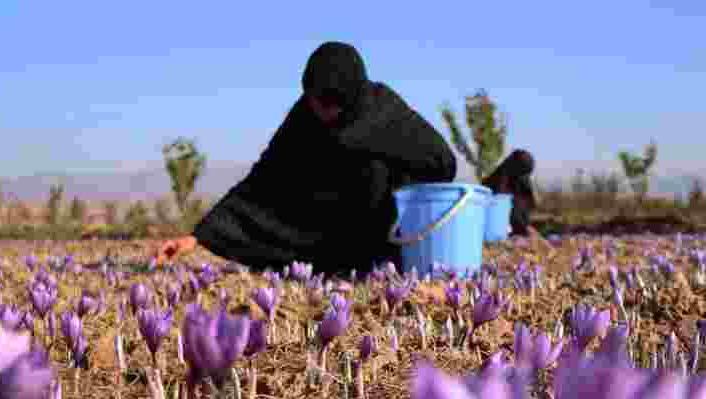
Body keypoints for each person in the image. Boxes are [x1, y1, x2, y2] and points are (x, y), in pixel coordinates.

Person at [155, 41, 457, 275]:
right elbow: (264, 178)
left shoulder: (384, 110)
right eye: (313, 100)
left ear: (351, 96)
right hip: (319, 235)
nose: (319, 110)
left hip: (382, 233)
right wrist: (199, 237)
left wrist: (382, 157)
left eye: (328, 103)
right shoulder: (305, 115)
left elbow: (442, 162)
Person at [482, 149, 539, 238]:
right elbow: (498, 206)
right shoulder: (499, 180)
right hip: (498, 229)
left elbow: (530, 202)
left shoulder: (522, 179)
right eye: (524, 173)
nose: (525, 177)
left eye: (526, 174)